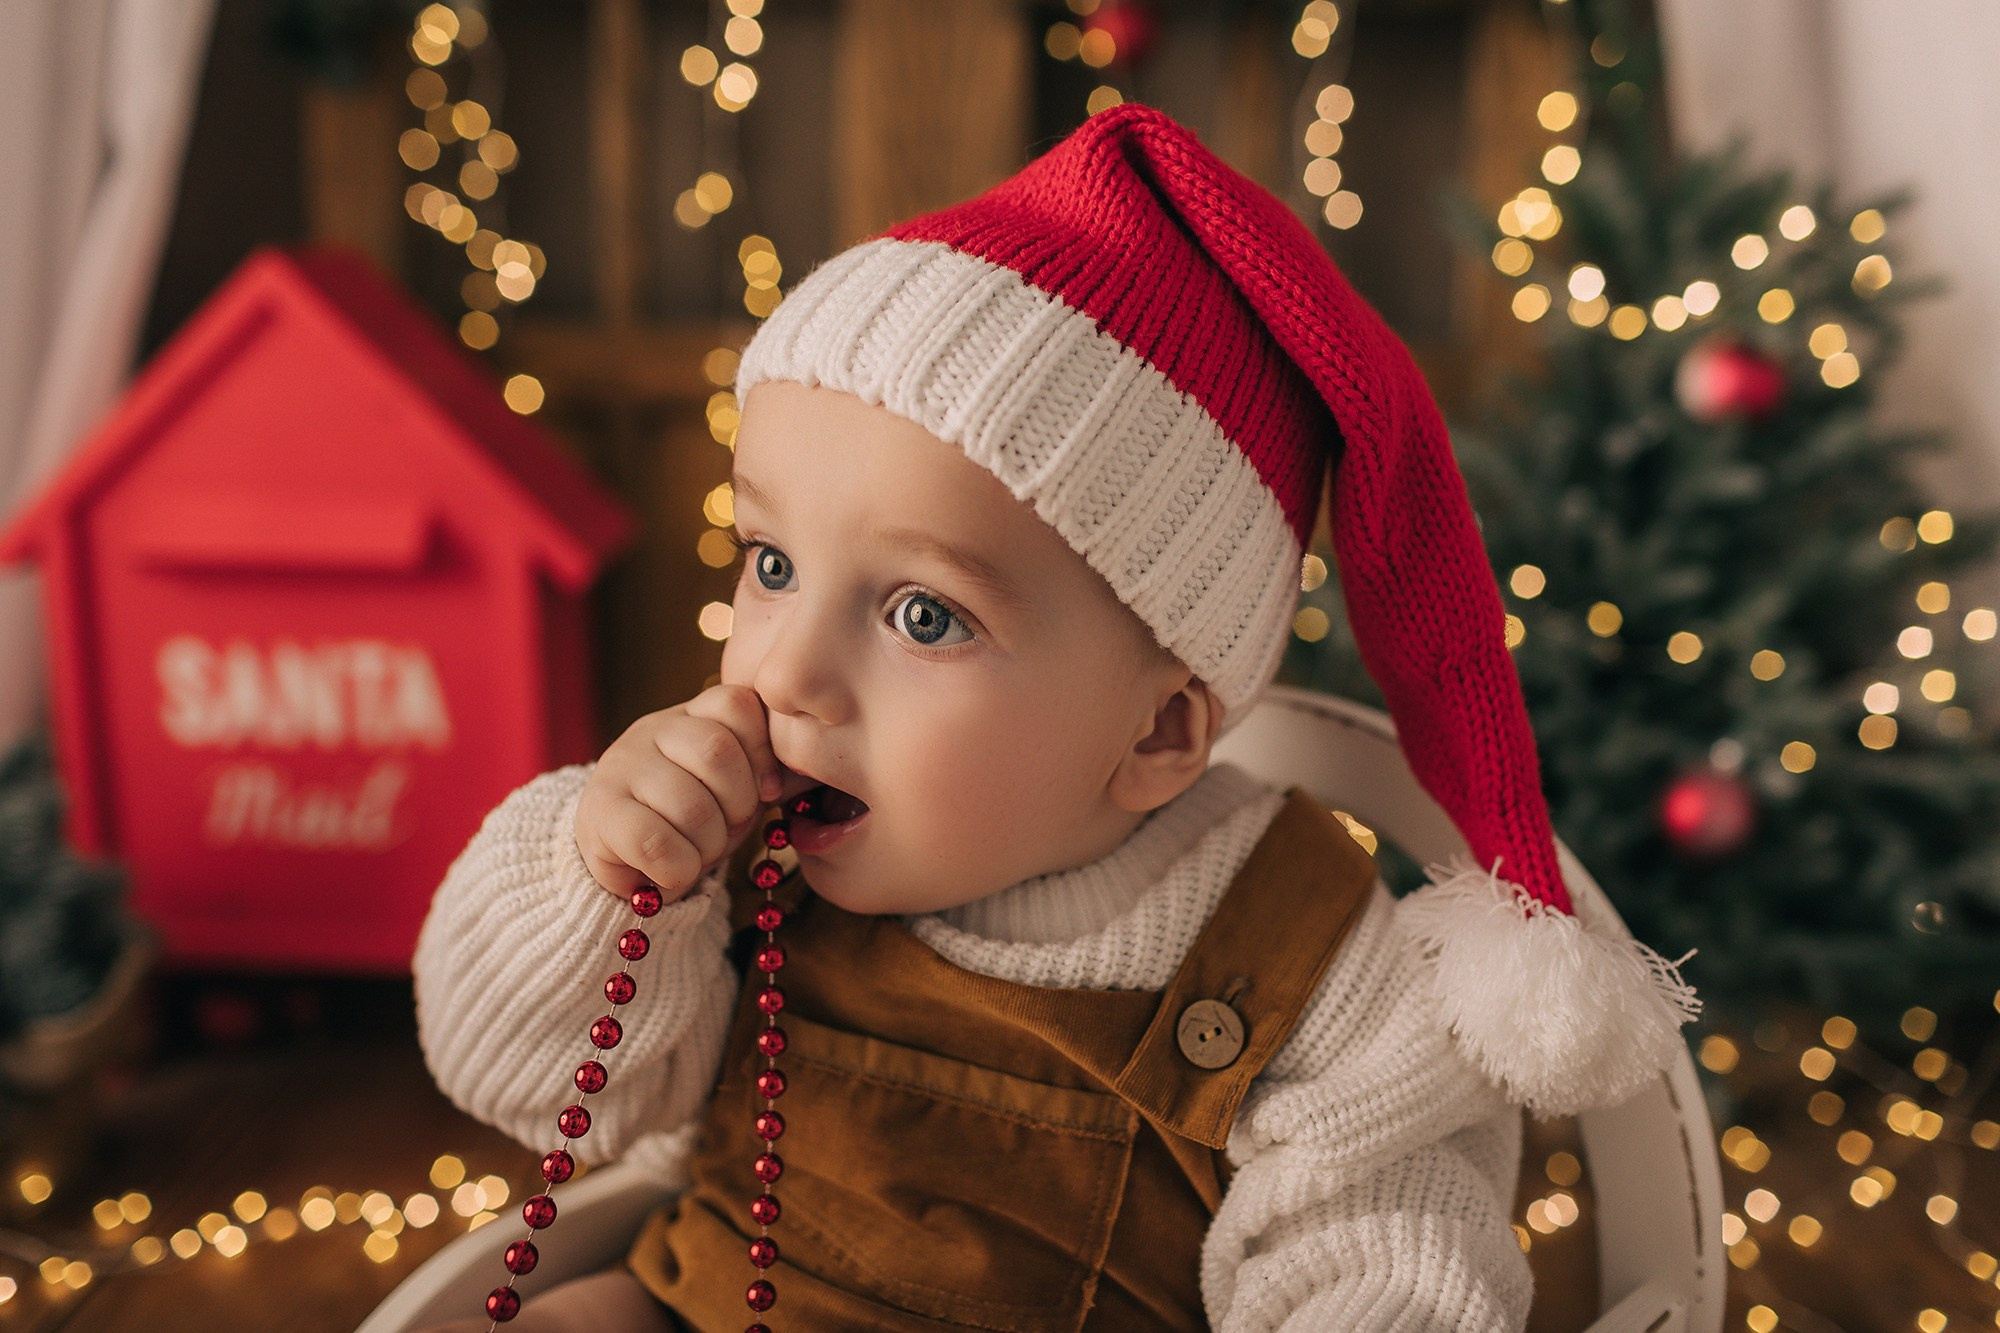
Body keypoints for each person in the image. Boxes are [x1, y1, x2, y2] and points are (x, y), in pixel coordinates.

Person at [410, 101, 1699, 1332]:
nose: (786, 675)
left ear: (1154, 738)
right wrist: (602, 875)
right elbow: (511, 1079)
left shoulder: (1306, 959)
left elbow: (1386, 1258)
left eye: (925, 616)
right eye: (770, 564)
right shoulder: (736, 848)